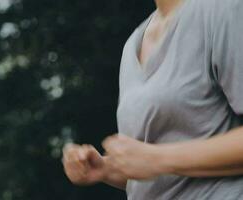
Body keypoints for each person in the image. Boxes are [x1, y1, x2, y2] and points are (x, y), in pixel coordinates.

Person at [61, 0, 243, 199]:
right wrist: (106, 169)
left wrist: (158, 159)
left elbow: (155, 160)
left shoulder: (225, 10)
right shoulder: (133, 43)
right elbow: (150, 167)